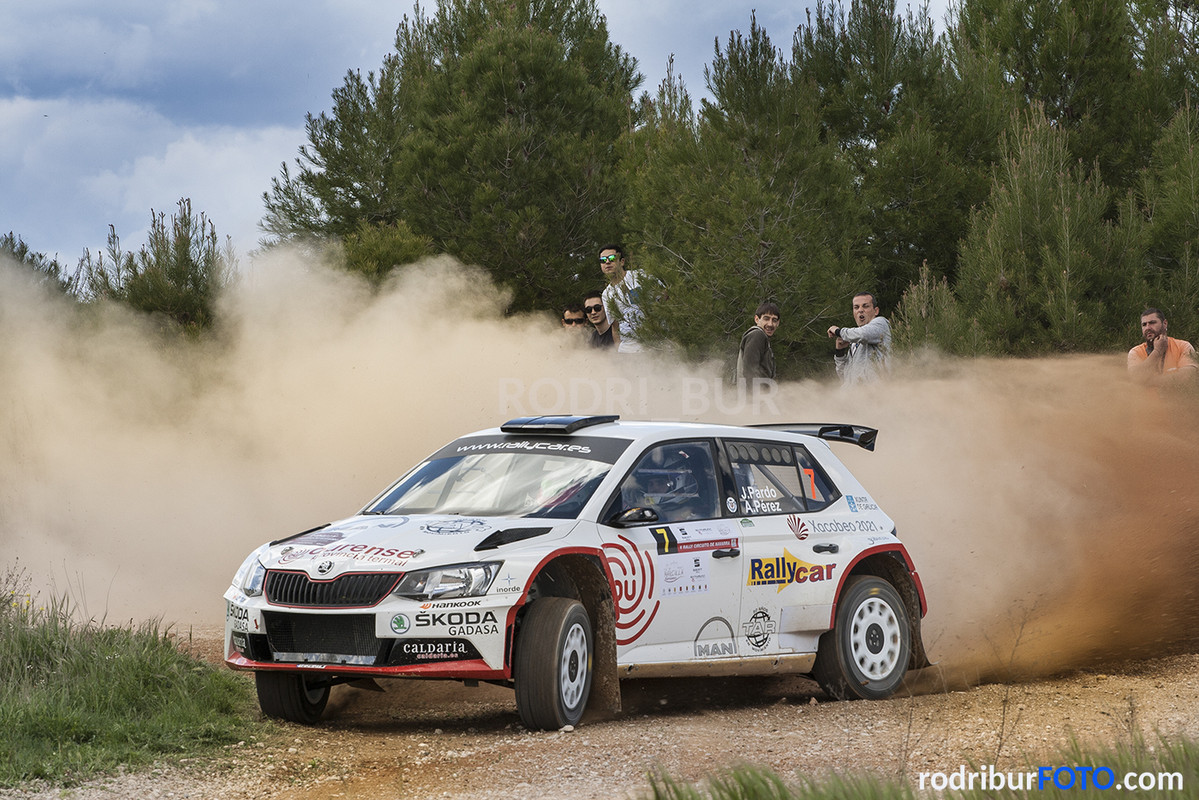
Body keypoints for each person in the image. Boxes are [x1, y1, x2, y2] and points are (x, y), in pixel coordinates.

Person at [599, 244, 655, 354]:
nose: (607, 262)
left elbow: (666, 298)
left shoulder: (640, 275)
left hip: (655, 345)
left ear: (622, 261)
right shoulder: (607, 294)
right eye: (603, 260)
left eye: (612, 258)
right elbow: (615, 327)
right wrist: (619, 352)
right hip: (629, 351)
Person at [828, 292, 891, 385]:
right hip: (853, 397)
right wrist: (840, 353)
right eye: (856, 307)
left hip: (874, 395)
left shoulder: (881, 324)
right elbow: (845, 378)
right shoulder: (854, 341)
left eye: (865, 306)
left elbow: (862, 334)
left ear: (876, 311)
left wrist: (838, 331)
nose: (860, 310)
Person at [1127, 308, 1198, 385]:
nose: (1147, 328)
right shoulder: (1136, 352)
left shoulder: (1183, 346)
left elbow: (1187, 377)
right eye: (1144, 325)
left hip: (1175, 397)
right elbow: (1136, 378)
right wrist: (1157, 351)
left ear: (1165, 323)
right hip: (1144, 397)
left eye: (1152, 323)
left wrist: (1149, 383)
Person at [735, 301, 780, 382]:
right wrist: (756, 394)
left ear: (778, 323)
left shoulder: (761, 337)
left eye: (774, 320)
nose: (770, 324)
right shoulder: (757, 335)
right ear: (756, 319)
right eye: (766, 319)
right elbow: (750, 371)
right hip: (753, 393)